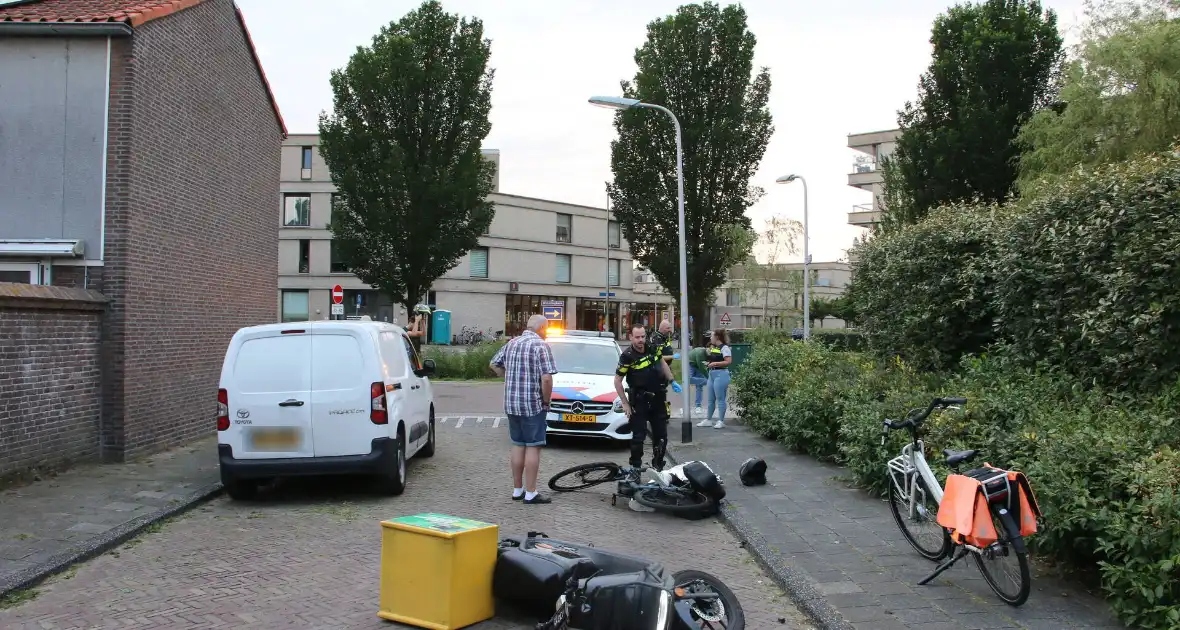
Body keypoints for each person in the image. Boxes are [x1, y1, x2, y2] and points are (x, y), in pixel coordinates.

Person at [490, 313, 557, 504]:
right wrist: (546, 401)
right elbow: (546, 379)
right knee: (533, 446)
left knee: (518, 444)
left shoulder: (512, 343)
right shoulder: (541, 346)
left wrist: (507, 376)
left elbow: (493, 364)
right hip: (532, 404)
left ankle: (517, 489)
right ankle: (531, 492)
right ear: (542, 329)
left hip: (511, 404)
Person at [614, 324, 675, 471]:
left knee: (661, 437)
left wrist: (672, 380)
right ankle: (635, 468)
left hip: (658, 399)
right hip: (640, 400)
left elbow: (662, 362)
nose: (640, 340)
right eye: (637, 337)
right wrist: (625, 403)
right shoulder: (627, 356)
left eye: (642, 336)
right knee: (638, 438)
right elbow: (617, 381)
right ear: (631, 338)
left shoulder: (652, 348)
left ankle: (658, 465)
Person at [699, 328, 733, 429]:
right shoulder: (714, 347)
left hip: (721, 374)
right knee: (710, 399)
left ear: (717, 337)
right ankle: (708, 419)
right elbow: (714, 358)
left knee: (720, 398)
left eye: (712, 336)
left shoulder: (725, 348)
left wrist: (715, 363)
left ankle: (721, 421)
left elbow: (728, 361)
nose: (710, 337)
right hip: (712, 374)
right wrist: (709, 363)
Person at [687, 344, 709, 416]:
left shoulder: (710, 354)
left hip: (698, 366)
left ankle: (698, 406)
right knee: (688, 379)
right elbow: (701, 367)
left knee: (699, 386)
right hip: (690, 363)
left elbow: (704, 365)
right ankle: (707, 382)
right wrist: (708, 378)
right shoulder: (700, 353)